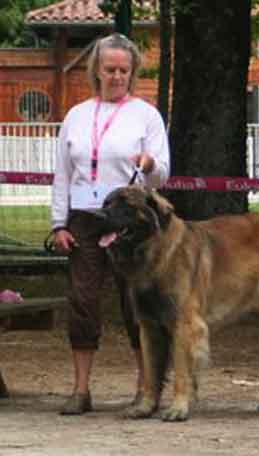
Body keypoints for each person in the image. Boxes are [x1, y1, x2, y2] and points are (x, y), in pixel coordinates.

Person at [51, 33, 170, 415]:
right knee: (82, 299)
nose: (117, 76)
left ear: (133, 72)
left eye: (124, 70)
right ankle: (81, 389)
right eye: (110, 70)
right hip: (85, 218)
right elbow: (62, 174)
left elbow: (162, 175)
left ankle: (145, 388)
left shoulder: (146, 115)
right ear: (96, 71)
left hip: (128, 218)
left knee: (135, 301)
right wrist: (59, 224)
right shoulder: (76, 115)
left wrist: (150, 165)